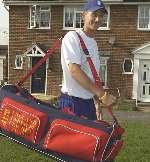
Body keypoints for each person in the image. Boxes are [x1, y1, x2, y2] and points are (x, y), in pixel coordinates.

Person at [58, 0, 116, 120]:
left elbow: (91, 75)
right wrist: (101, 94)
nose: (98, 19)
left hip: (88, 103)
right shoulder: (72, 37)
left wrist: (96, 101)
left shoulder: (93, 43)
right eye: (94, 14)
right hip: (73, 103)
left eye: (101, 16)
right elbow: (74, 70)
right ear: (83, 15)